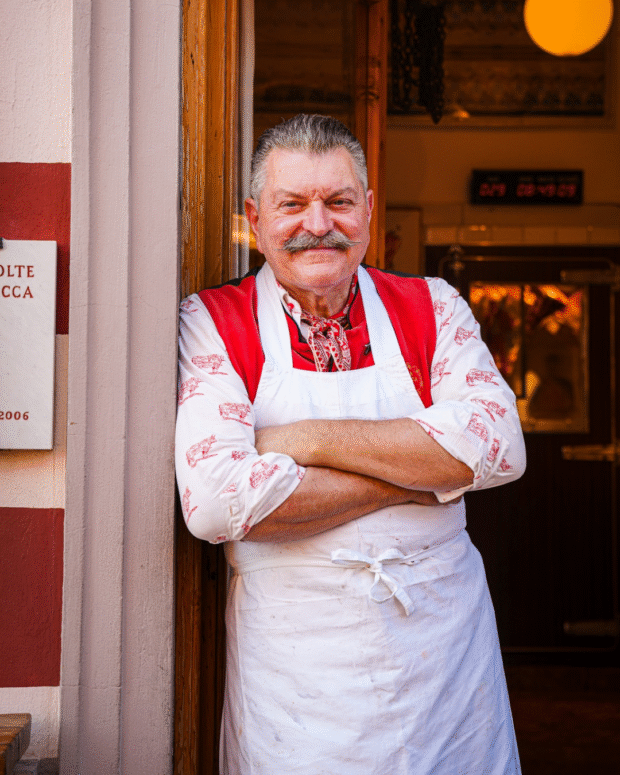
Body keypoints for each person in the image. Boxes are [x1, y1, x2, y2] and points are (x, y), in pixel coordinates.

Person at [175, 114, 526, 774]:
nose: (318, 223)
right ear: (255, 216)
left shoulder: (432, 305)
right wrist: (423, 473)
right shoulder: (214, 323)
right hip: (297, 681)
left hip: (445, 662)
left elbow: (500, 446)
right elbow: (218, 504)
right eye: (292, 204)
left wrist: (304, 440)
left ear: (368, 208)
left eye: (337, 201)